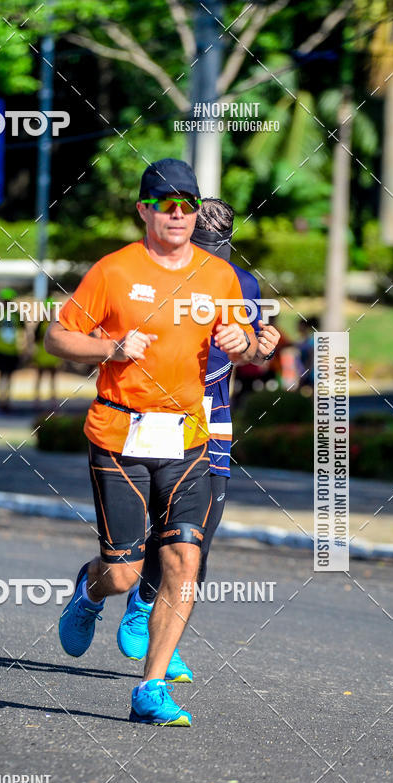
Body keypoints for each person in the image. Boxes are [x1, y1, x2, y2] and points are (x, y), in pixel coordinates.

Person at [45, 159, 257, 727]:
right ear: (144, 210)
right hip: (120, 434)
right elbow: (57, 335)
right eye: (166, 204)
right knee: (121, 572)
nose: (179, 215)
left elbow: (247, 344)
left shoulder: (218, 277)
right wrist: (109, 350)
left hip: (188, 436)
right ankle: (90, 593)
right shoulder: (113, 272)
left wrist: (246, 341)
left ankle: (151, 689)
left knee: (183, 560)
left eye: (188, 205)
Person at [117, 199, 280, 681]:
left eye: (218, 249)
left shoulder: (241, 282)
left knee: (197, 543)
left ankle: (154, 627)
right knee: (145, 539)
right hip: (153, 415)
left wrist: (260, 349)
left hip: (213, 421)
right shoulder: (144, 273)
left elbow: (247, 351)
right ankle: (122, 596)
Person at [0, 287, 20, 411]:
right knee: (2, 376)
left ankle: (5, 400)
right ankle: (0, 399)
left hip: (11, 350)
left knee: (7, 377)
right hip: (1, 349)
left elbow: (23, 332)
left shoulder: (15, 315)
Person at [33, 298, 62, 406]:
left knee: (52, 380)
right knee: (40, 379)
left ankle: (52, 401)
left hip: (52, 357)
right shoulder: (43, 324)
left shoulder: (55, 323)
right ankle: (37, 400)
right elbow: (35, 339)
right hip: (42, 356)